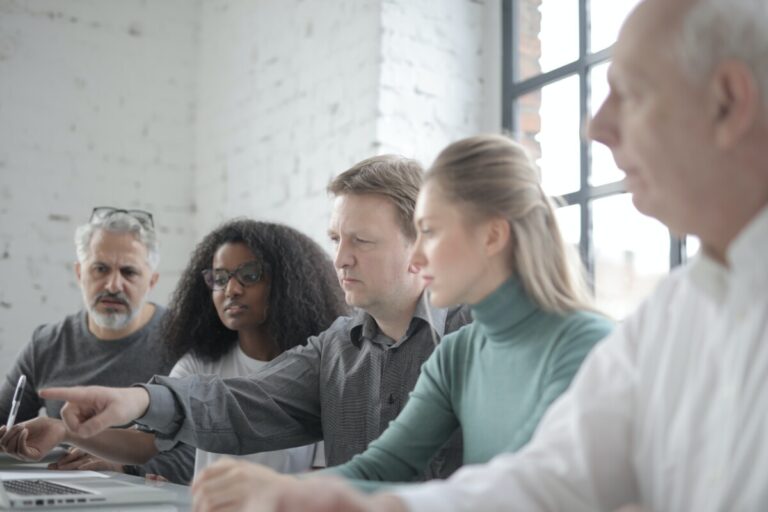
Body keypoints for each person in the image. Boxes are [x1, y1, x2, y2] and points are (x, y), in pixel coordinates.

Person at [177, 0, 768, 509]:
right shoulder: (676, 311)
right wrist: (322, 497)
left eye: (632, 94)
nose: (597, 126)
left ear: (727, 102)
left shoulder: (593, 340)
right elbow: (545, 483)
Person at [187, 134, 614, 509]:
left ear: (492, 236)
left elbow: (526, 489)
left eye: (429, 232)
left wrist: (303, 494)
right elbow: (379, 467)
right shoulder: (459, 352)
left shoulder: (584, 344)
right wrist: (283, 491)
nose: (417, 256)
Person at [4, 155, 472, 480]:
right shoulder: (337, 346)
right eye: (335, 240)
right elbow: (245, 400)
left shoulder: (481, 334)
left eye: (362, 242)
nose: (340, 260)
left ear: (421, 242)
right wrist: (136, 403)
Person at [0, 219, 348, 478]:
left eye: (250, 275)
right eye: (219, 278)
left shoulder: (319, 372)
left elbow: (322, 481)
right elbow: (149, 443)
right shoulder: (199, 364)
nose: (231, 290)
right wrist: (66, 429)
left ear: (288, 282)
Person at [0, 207, 192, 483]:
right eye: (100, 269)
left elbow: (202, 453)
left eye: (129, 272)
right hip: (68, 491)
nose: (113, 285)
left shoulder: (184, 340)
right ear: (80, 273)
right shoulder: (46, 344)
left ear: (152, 281)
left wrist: (121, 468)